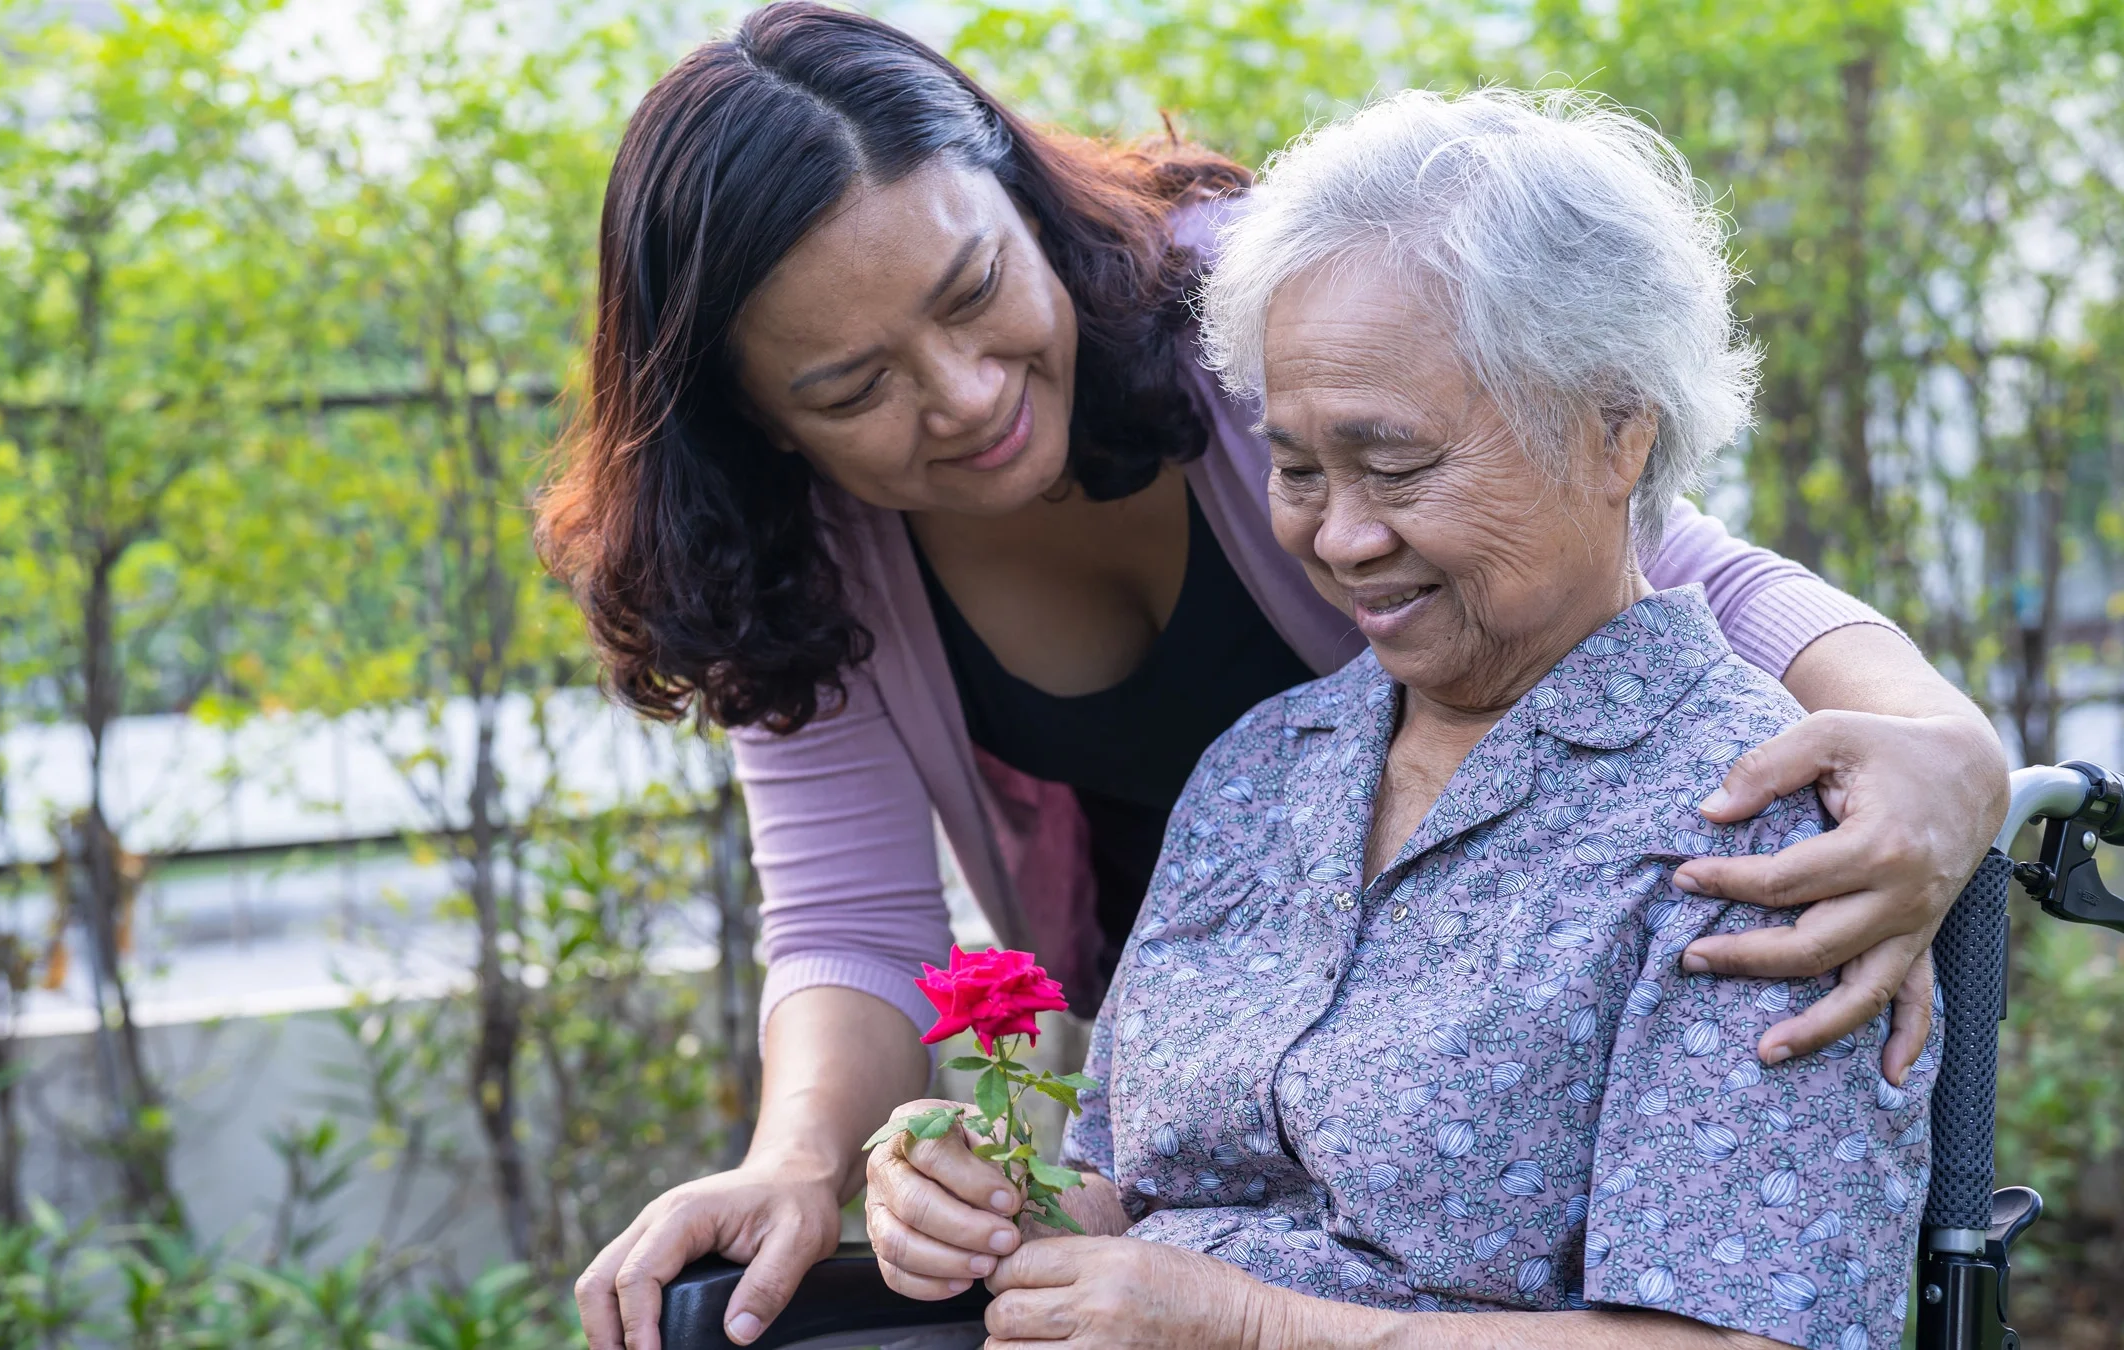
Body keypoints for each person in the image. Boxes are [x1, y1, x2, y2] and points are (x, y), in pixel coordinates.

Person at [540, 6, 2004, 1346]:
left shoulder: (1726, 820)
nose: (966, 393)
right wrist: (923, 1180)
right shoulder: (1257, 775)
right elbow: (897, 965)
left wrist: (1935, 737)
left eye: (974, 289)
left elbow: (1656, 563)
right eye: (852, 386)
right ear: (760, 423)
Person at [867, 88, 1935, 1350]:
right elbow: (1129, 1192)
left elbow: (1751, 1341)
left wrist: (1248, 1328)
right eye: (1301, 469)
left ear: (1616, 436)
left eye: (1399, 465)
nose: (1342, 537)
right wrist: (986, 1204)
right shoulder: (1262, 770)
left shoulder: (1756, 828)